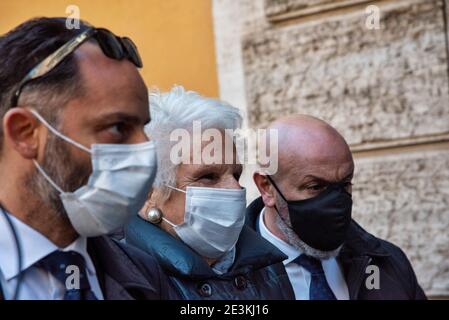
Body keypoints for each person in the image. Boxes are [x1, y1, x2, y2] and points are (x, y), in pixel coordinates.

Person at [0, 17, 172, 300]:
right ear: (25, 133)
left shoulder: (145, 275)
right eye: (118, 127)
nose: (144, 149)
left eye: (143, 127)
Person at [125, 86, 294, 300]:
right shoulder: (121, 278)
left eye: (236, 174)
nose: (235, 189)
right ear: (149, 195)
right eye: (208, 176)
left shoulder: (267, 268)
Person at [246, 114, 427, 300]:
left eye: (345, 183)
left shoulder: (388, 264)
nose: (335, 204)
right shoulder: (225, 279)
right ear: (266, 187)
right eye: (315, 187)